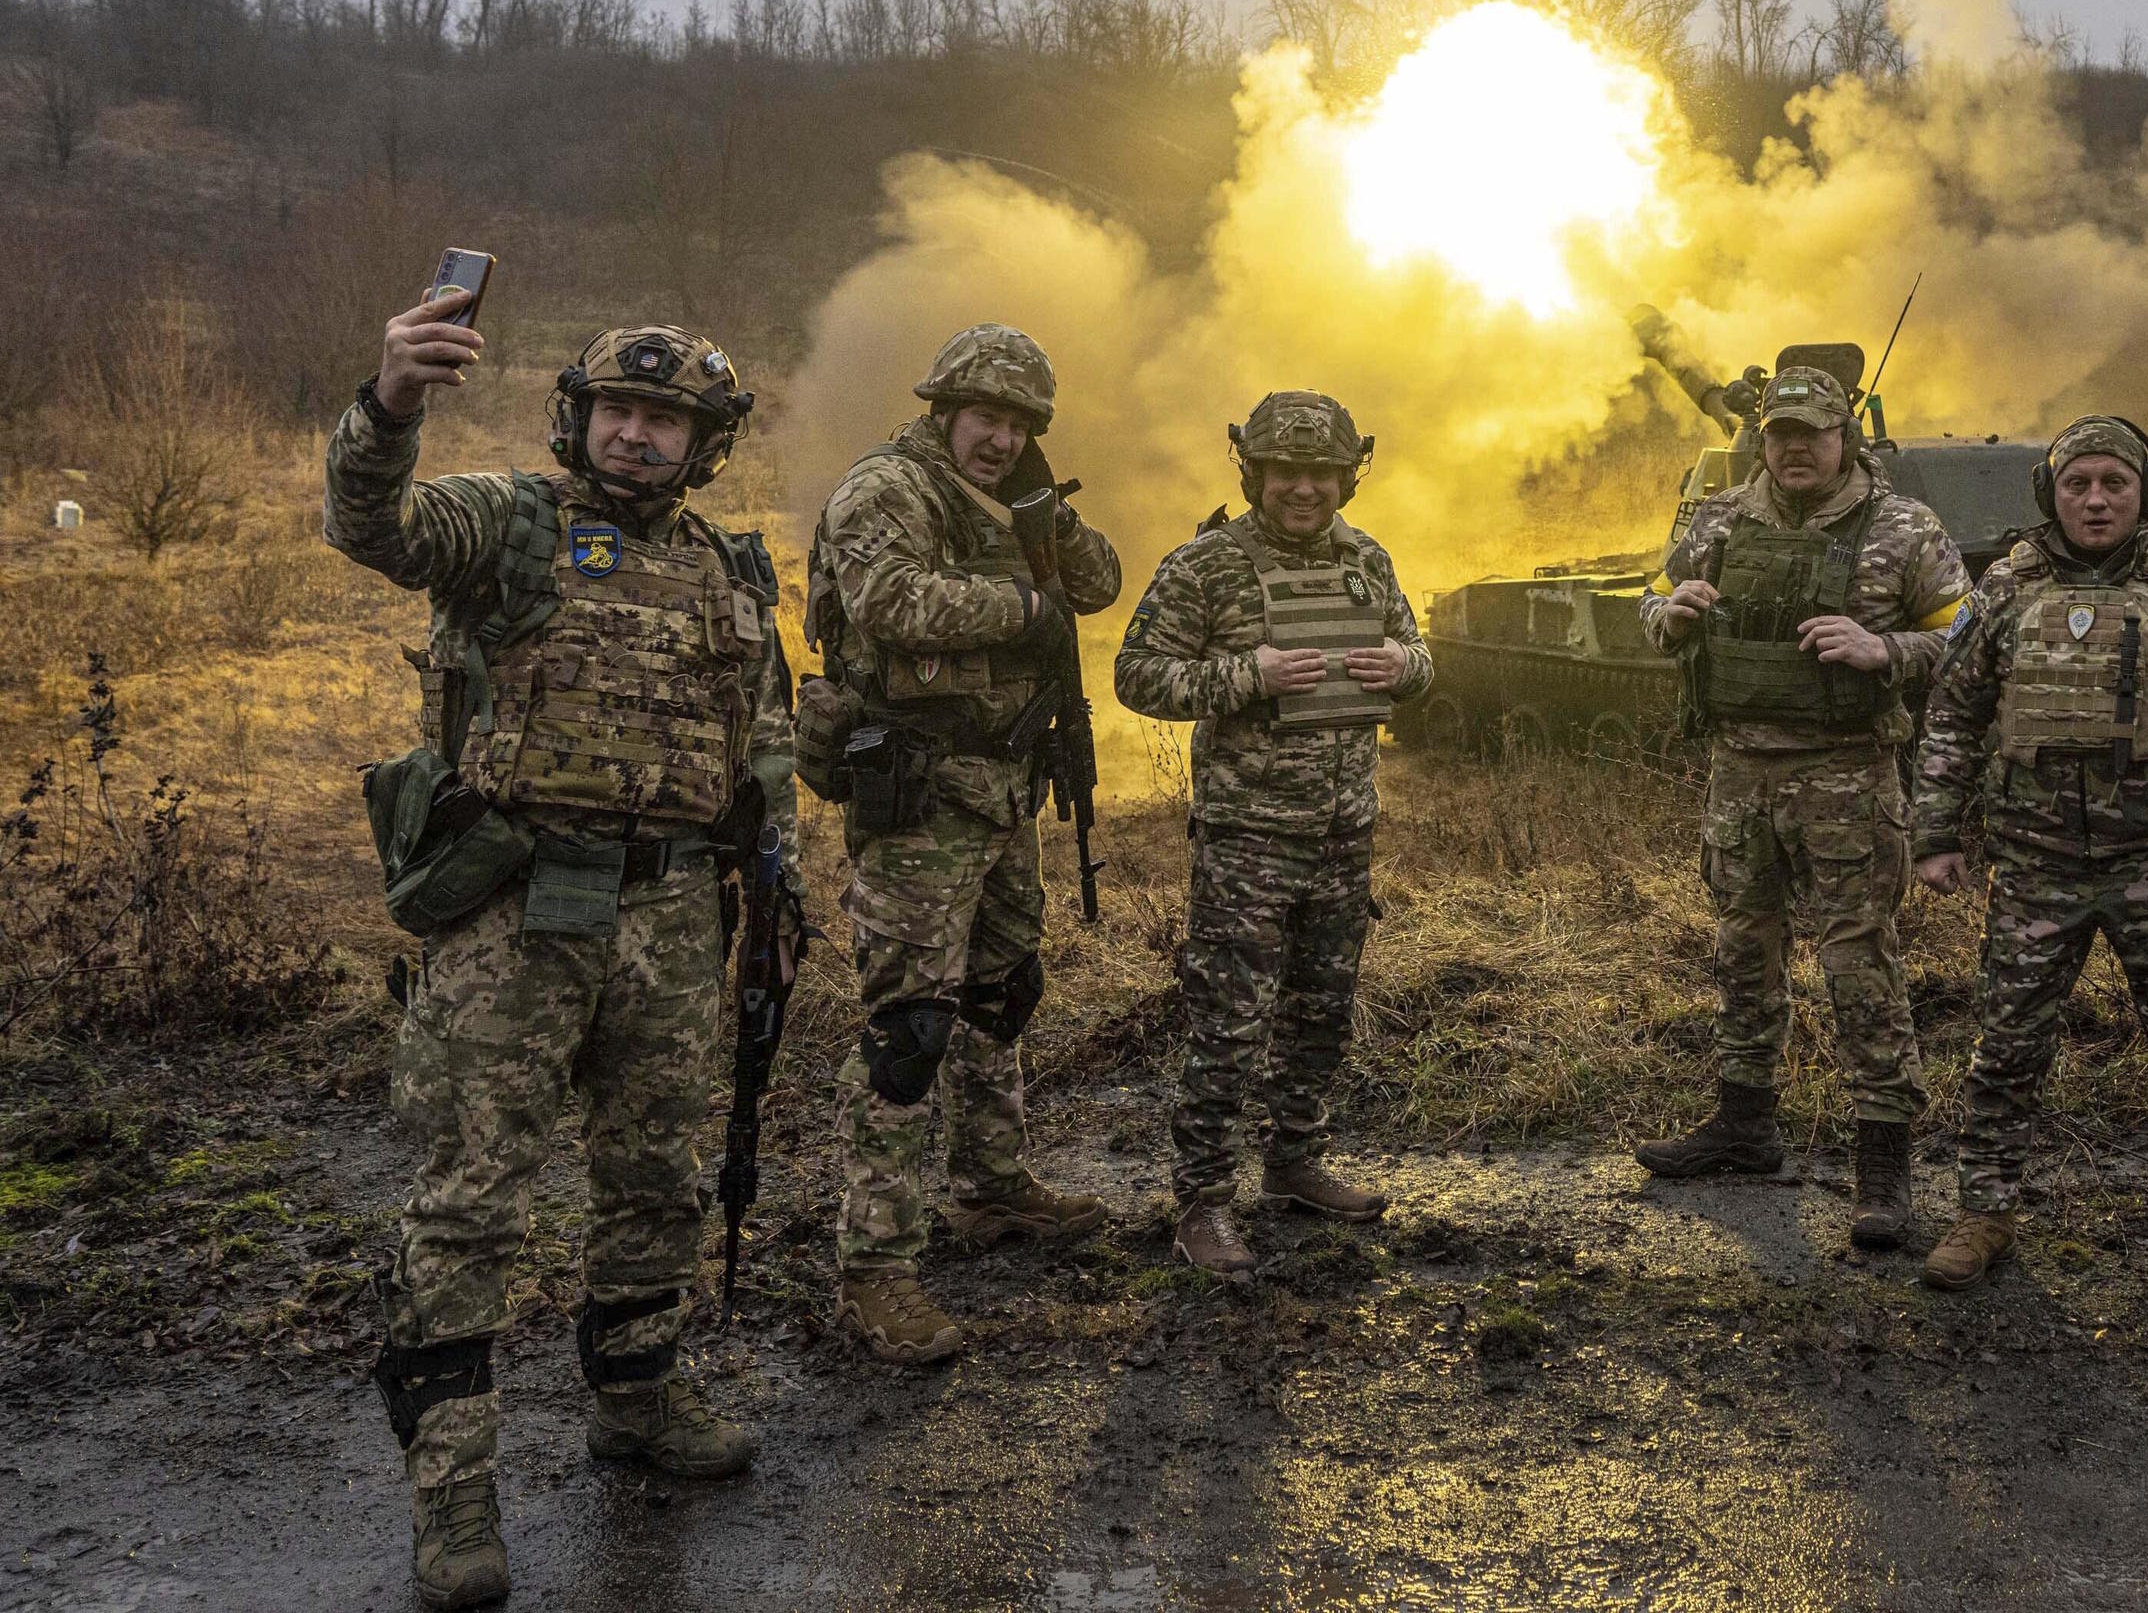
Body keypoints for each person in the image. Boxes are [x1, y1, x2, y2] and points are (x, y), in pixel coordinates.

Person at [330, 302, 791, 1611]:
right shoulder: (509, 525)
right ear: (579, 416)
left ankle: (636, 1399)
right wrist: (390, 409)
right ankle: (456, 1496)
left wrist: (777, 876)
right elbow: (373, 527)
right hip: (517, 911)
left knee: (655, 1178)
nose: (638, 435)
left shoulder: (727, 569)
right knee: (470, 1201)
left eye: (667, 421)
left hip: (668, 917)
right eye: (618, 411)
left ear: (704, 444)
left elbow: (760, 737)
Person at [1908, 417, 2148, 1299]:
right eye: (2078, 483)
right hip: (2035, 864)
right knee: (2005, 1044)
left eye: (2114, 483)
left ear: (2143, 492)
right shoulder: (2003, 591)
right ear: (2051, 494)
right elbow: (1954, 717)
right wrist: (1934, 833)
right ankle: (1985, 1211)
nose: (2095, 499)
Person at [803, 325, 1123, 1364]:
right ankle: (876, 1267)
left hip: (999, 787)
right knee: (909, 1031)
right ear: (944, 410)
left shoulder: (1014, 500)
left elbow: (1102, 580)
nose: (1001, 438)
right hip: (920, 790)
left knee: (1001, 994)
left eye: (1022, 424)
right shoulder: (886, 488)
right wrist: (1024, 604)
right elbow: (889, 603)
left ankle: (992, 1185)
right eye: (986, 418)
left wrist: (1046, 512)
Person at [1631, 363, 1971, 1249]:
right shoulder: (1721, 518)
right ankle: (1743, 1127)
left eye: (1812, 435)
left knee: (1859, 967)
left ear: (1843, 435)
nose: (1793, 450)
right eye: (1779, 435)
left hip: (1848, 777)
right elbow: (1648, 601)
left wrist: (1883, 647)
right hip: (1739, 776)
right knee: (1742, 951)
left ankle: (1883, 1164)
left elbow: (1968, 639)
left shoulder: (1902, 528)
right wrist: (1671, 615)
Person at [1114, 391, 1430, 1280]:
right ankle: (1204, 1202)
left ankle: (1293, 1164)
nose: (1303, 489)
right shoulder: (1206, 566)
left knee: (1321, 1015)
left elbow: (1418, 651)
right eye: (1285, 472)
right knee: (1228, 1023)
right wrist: (1242, 676)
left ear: (1346, 478)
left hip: (1342, 834)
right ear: (1253, 471)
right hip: (1248, 839)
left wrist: (1406, 666)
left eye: (1321, 474)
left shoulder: (1367, 560)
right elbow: (1138, 674)